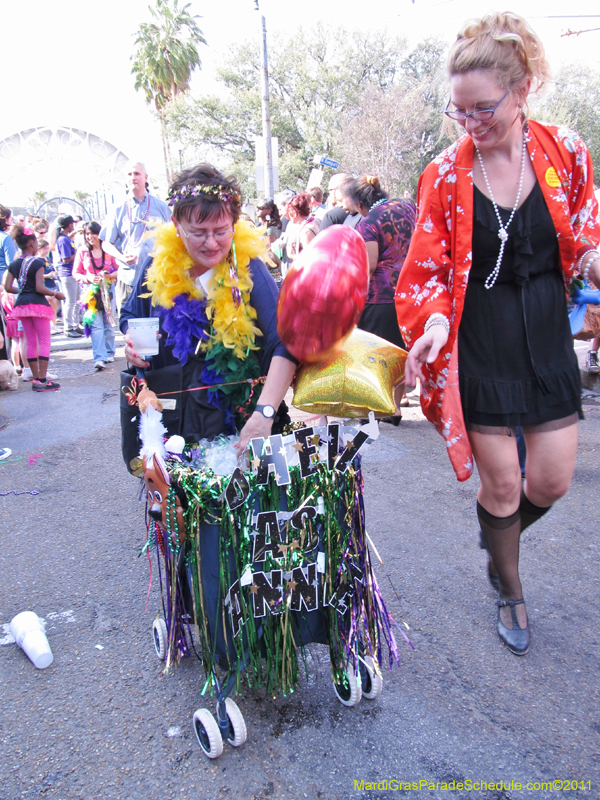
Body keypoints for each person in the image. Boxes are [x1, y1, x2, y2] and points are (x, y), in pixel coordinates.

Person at [395, 11, 600, 657]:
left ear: (524, 88)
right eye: (458, 113)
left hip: (544, 331)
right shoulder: (445, 173)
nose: (470, 125)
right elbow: (424, 270)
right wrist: (430, 326)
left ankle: (499, 533)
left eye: (482, 110)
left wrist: (595, 261)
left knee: (551, 481)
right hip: (478, 338)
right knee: (504, 484)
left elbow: (587, 234)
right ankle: (507, 582)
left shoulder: (564, 150)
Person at [120, 163, 297, 454]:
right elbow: (130, 314)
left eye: (221, 230)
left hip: (239, 427)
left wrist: (264, 413)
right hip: (170, 425)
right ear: (177, 226)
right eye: (199, 232)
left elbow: (284, 342)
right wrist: (131, 341)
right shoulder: (155, 263)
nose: (212, 242)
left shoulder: (249, 267)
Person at [349, 175, 416, 421]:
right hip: (411, 293)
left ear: (359, 204)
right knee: (400, 352)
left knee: (375, 355)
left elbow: (370, 263)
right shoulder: (407, 207)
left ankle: (380, 406)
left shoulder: (368, 223)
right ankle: (395, 406)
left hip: (381, 296)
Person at [101, 161, 171, 317]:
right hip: (128, 279)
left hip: (157, 280)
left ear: (146, 177)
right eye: (129, 174)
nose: (133, 177)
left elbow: (174, 237)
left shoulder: (161, 206)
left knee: (157, 329)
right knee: (130, 328)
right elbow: (106, 243)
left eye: (137, 174)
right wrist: (121, 257)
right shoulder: (117, 209)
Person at [4, 223, 65, 391]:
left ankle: (35, 379)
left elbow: (7, 287)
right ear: (31, 244)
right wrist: (55, 294)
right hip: (37, 305)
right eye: (36, 242)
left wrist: (24, 291)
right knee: (44, 340)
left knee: (30, 341)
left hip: (21, 306)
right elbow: (39, 287)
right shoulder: (37, 262)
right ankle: (43, 379)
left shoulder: (14, 264)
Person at [74, 221, 118, 371]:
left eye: (93, 233)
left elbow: (120, 269)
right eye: (87, 234)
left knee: (108, 323)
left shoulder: (108, 249)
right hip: (90, 293)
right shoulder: (82, 251)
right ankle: (100, 358)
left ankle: (109, 351)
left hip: (107, 291)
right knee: (96, 325)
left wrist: (110, 275)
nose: (90, 236)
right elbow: (76, 273)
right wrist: (89, 278)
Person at [55, 214, 82, 338]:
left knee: (75, 301)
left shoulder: (65, 237)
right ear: (69, 224)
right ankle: (68, 327)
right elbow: (66, 259)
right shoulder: (63, 240)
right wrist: (78, 253)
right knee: (70, 302)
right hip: (67, 273)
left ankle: (75, 325)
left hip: (72, 273)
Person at [286, 191, 319, 261]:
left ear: (293, 212)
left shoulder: (306, 231)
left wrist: (291, 255)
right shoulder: (315, 220)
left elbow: (309, 260)